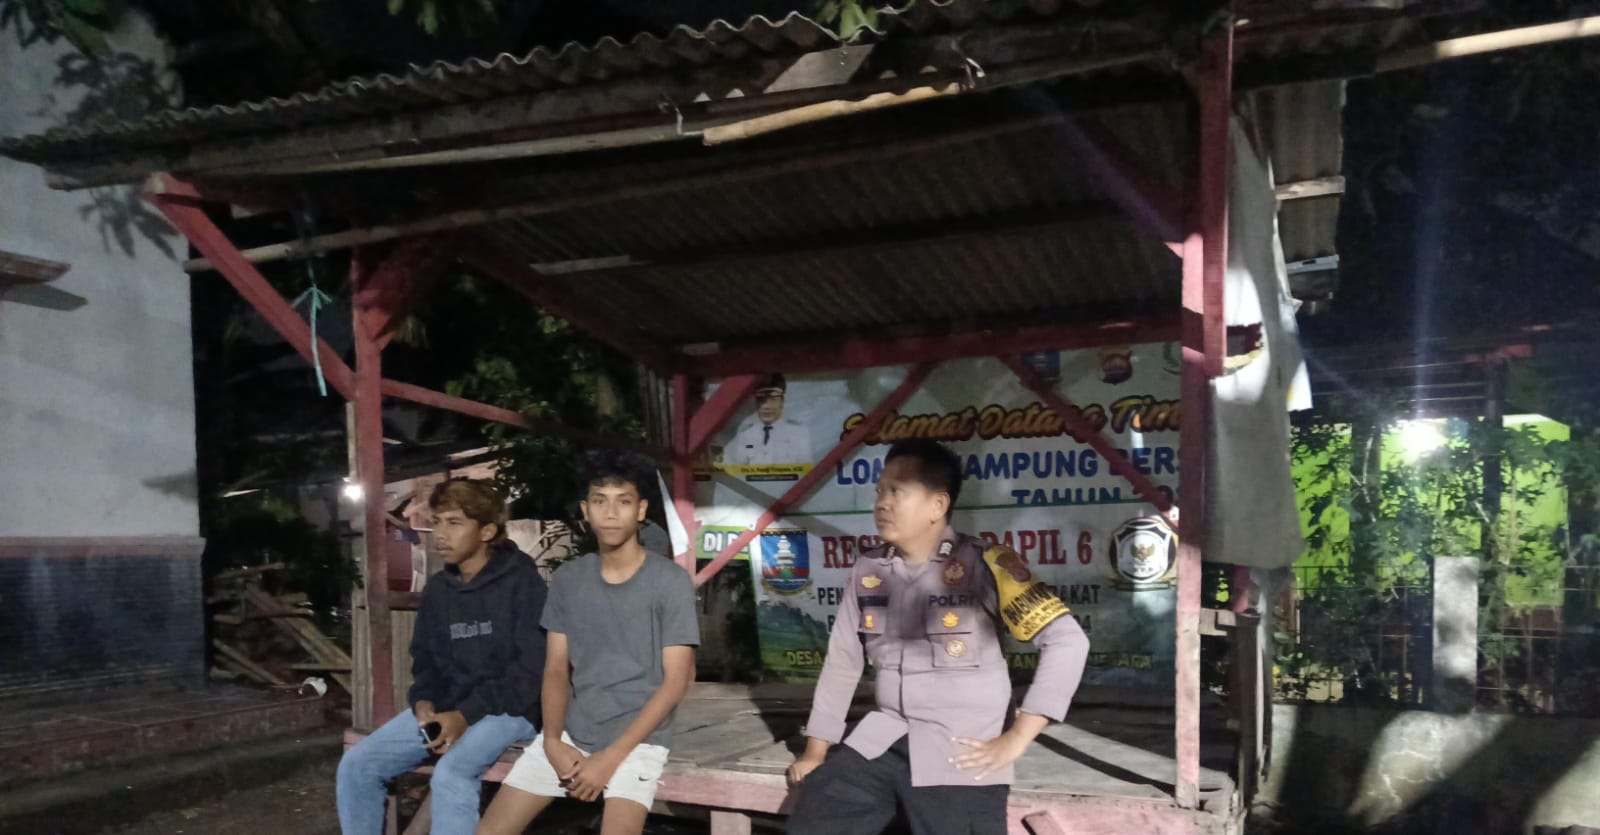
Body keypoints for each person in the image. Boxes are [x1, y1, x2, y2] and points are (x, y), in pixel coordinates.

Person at [784, 439, 1090, 835]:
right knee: (817, 815)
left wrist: (1017, 738)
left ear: (937, 505)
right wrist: (816, 750)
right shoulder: (868, 569)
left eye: (897, 492)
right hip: (884, 738)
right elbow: (844, 660)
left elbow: (1067, 641)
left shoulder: (987, 565)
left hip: (959, 750)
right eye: (880, 491)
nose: (882, 503)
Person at [478, 451, 700, 835]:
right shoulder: (570, 578)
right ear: (586, 510)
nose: (611, 513)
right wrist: (552, 740)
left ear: (641, 510)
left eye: (623, 502)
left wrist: (610, 758)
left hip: (639, 741)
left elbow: (676, 681)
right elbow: (555, 669)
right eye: (600, 501)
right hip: (572, 732)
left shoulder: (669, 582)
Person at [337, 479, 548, 835]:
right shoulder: (438, 590)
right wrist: (423, 701)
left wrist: (465, 715)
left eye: (454, 523)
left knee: (452, 773)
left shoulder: (523, 584)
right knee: (357, 765)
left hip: (512, 709)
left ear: (486, 531)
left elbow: (531, 672)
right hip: (451, 708)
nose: (440, 534)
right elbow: (426, 660)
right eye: (437, 522)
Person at [724, 373, 813, 466]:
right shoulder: (746, 433)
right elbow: (736, 466)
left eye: (773, 399)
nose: (766, 406)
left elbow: (805, 469)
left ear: (782, 401)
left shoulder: (798, 433)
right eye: (761, 400)